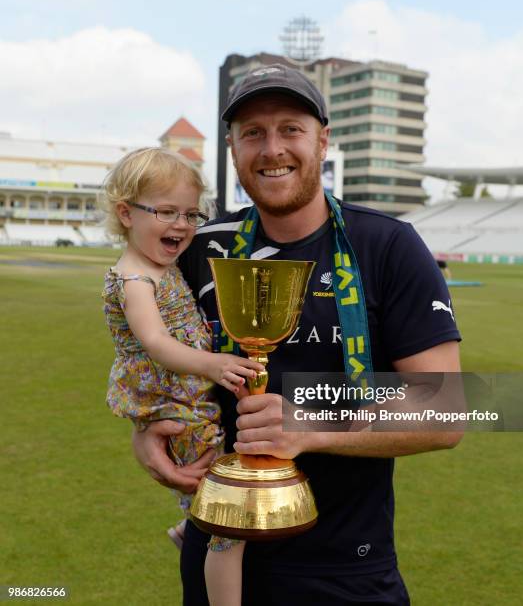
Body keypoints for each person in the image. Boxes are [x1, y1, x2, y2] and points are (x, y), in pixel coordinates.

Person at [132, 65, 463, 605]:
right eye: (253, 133)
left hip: (343, 568)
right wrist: (149, 429)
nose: (272, 148)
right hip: (218, 548)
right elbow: (163, 365)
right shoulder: (201, 249)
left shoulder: (389, 246)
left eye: (291, 128)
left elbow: (447, 411)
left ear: (322, 141)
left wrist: (307, 421)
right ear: (233, 148)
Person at [101, 147, 263, 606]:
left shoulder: (160, 266)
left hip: (189, 400)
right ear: (126, 213)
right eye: (167, 211)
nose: (182, 225)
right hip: (177, 405)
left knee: (215, 490)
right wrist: (214, 364)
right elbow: (154, 341)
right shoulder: (136, 279)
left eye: (191, 213)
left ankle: (188, 524)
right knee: (230, 517)